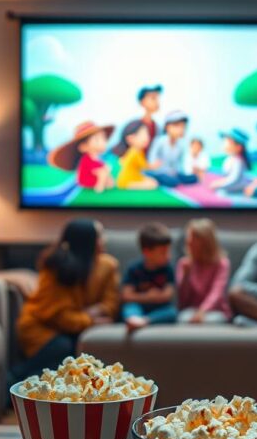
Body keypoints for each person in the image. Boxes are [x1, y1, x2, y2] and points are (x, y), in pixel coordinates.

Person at [16, 220, 120, 379]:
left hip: (72, 328)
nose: (104, 240)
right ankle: (17, 385)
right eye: (99, 236)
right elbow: (55, 315)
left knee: (73, 349)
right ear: (87, 242)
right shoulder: (57, 266)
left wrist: (95, 310)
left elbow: (111, 304)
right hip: (41, 326)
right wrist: (89, 319)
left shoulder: (108, 265)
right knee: (63, 346)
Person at [122, 223, 177, 331]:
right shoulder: (134, 269)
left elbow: (168, 295)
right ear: (147, 252)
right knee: (129, 308)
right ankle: (134, 319)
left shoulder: (168, 269)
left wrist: (155, 298)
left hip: (159, 308)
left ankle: (145, 321)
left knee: (172, 313)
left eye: (168, 251)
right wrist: (147, 297)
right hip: (139, 306)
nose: (168, 256)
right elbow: (126, 295)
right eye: (163, 252)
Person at [176, 219, 231, 324]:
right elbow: (182, 300)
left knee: (208, 321)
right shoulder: (184, 263)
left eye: (194, 239)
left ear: (206, 242)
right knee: (184, 318)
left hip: (216, 310)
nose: (189, 242)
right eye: (189, 238)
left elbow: (216, 293)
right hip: (191, 311)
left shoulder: (222, 263)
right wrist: (186, 276)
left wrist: (202, 311)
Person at [47, 121, 115, 193]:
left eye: (103, 139)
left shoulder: (97, 158)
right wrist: (104, 171)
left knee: (105, 173)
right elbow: (98, 171)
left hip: (94, 179)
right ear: (83, 147)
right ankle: (99, 188)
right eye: (97, 140)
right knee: (103, 172)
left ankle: (104, 185)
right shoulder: (86, 159)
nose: (103, 142)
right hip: (87, 183)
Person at [147, 110, 189, 187]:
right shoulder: (159, 141)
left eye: (183, 127)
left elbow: (180, 162)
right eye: (177, 126)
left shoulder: (180, 145)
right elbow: (151, 159)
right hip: (158, 172)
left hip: (172, 173)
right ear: (167, 127)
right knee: (172, 182)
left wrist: (178, 172)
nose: (181, 130)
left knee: (192, 178)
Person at [113, 120, 158, 190]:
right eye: (142, 135)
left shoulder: (135, 151)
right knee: (152, 184)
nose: (146, 137)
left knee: (151, 181)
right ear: (130, 139)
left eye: (147, 134)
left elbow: (123, 162)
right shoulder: (135, 152)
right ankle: (129, 186)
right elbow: (143, 165)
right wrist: (153, 166)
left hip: (133, 176)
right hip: (128, 179)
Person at [210, 129, 250, 194]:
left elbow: (234, 179)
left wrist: (220, 184)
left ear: (239, 147)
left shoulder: (238, 161)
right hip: (231, 183)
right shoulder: (230, 158)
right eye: (224, 141)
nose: (225, 144)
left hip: (238, 184)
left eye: (228, 142)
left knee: (221, 192)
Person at [136, 85, 162, 155]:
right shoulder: (135, 127)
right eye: (153, 98)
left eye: (157, 98)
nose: (157, 102)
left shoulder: (157, 127)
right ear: (142, 102)